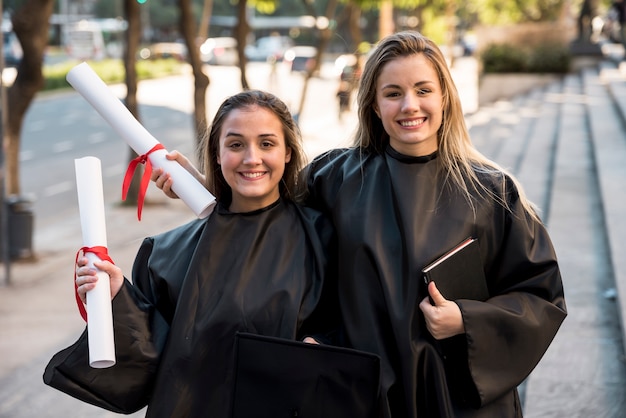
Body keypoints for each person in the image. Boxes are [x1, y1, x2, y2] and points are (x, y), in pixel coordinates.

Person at [151, 31, 567, 417]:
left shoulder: (492, 192)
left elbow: (540, 296)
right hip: (363, 394)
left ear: (445, 98)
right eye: (393, 93)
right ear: (372, 103)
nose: (409, 106)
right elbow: (267, 212)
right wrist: (207, 187)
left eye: (423, 90)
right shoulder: (336, 178)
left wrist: (467, 319)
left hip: (453, 395)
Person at [43, 90, 340, 417]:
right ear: (216, 153)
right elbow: (150, 367)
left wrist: (322, 347)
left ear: (287, 152)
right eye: (236, 144)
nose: (251, 158)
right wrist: (117, 299)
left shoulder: (323, 238)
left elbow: (354, 331)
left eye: (267, 143)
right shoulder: (165, 254)